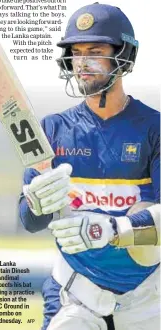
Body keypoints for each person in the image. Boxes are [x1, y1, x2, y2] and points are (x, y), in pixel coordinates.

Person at [19, 3, 160, 330]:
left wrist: (109, 230)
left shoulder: (154, 128)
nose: (82, 62)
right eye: (76, 52)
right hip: (73, 291)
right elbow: (29, 221)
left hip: (148, 294)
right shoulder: (51, 129)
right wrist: (37, 202)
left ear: (123, 55)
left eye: (94, 51)